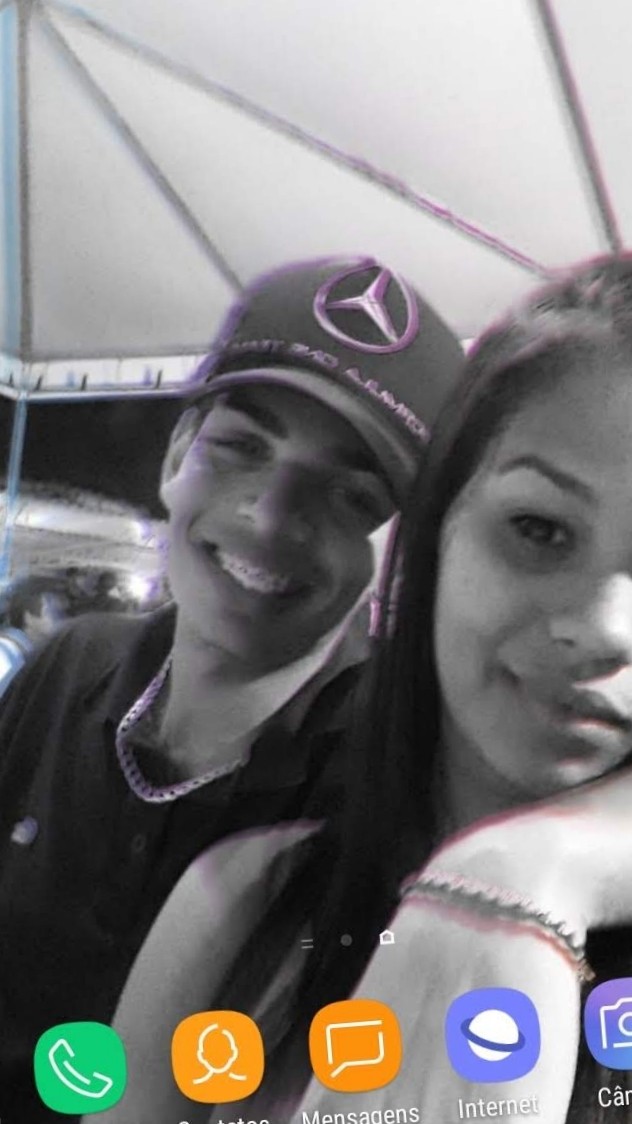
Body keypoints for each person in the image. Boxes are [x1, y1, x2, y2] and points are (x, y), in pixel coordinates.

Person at [106, 254, 632, 1124]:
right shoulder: (243, 903)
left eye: (351, 493)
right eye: (539, 529)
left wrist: (530, 873)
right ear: (433, 542)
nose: (608, 628)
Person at [0, 255, 464, 1123]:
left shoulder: (390, 778)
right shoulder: (71, 667)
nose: (272, 515)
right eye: (243, 447)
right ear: (178, 455)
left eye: (351, 494)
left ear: (401, 550)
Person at [0, 572, 69, 697]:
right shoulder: (4, 655)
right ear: (29, 617)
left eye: (62, 612)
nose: (61, 619)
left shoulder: (31, 653)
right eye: (53, 611)